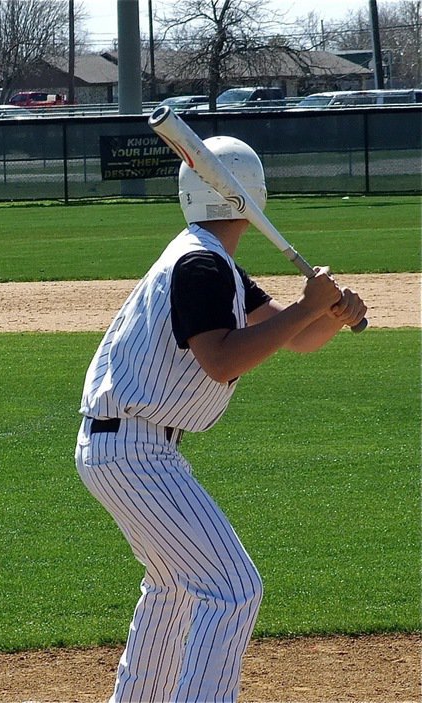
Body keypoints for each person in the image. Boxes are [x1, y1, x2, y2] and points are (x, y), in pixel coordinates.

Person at [75, 136, 366, 702]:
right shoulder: (201, 264)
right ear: (254, 197)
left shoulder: (210, 260)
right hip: (135, 451)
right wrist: (308, 306)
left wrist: (329, 315)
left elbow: (296, 338)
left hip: (126, 445)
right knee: (233, 589)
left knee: (174, 588)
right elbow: (223, 360)